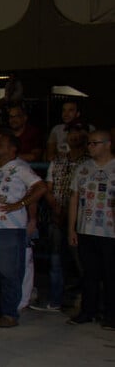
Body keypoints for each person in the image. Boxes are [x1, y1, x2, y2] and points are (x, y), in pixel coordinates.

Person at [0, 130, 46, 328]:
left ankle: (9, 312)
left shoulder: (21, 168)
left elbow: (40, 187)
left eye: (2, 143)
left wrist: (20, 204)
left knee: (8, 271)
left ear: (13, 148)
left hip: (6, 227)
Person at [29, 123, 89, 312]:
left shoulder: (90, 163)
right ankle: (56, 300)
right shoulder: (58, 160)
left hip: (81, 220)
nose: (73, 136)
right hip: (57, 217)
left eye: (78, 132)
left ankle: (90, 304)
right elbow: (48, 186)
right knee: (56, 261)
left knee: (84, 263)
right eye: (70, 132)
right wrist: (55, 206)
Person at [67, 129, 115, 329]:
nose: (90, 147)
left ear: (108, 144)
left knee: (111, 274)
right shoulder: (83, 168)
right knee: (89, 273)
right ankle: (88, 311)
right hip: (86, 228)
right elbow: (74, 198)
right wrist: (72, 228)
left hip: (110, 231)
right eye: (89, 143)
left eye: (95, 143)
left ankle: (111, 315)